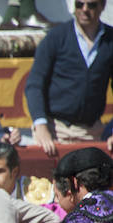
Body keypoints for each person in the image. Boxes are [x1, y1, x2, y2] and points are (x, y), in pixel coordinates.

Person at [24, 0, 113, 156]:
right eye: (79, 4)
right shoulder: (56, 36)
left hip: (91, 132)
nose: (84, 9)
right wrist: (41, 125)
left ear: (102, 6)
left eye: (91, 5)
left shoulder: (110, 39)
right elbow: (34, 84)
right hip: (55, 130)